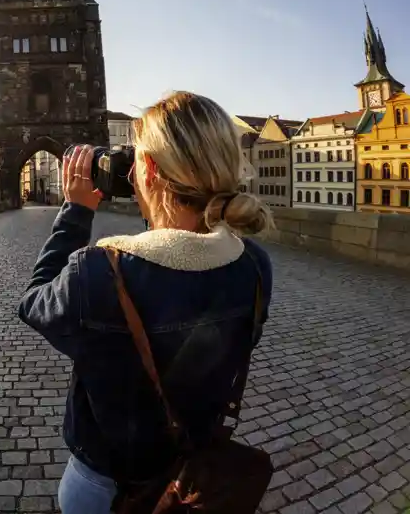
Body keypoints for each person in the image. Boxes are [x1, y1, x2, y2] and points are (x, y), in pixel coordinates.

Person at [17, 91, 274, 514]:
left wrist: (76, 212)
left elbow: (34, 303)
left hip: (105, 486)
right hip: (195, 480)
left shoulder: (100, 272)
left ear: (149, 169)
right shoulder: (254, 265)